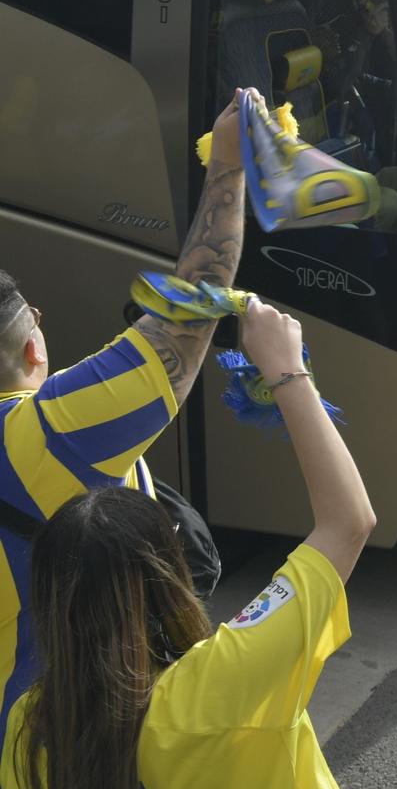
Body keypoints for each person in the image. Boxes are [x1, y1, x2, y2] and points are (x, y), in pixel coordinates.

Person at [5, 291, 372, 789]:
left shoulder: (26, 732)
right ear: (168, 574)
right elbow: (349, 522)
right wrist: (287, 371)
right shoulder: (226, 681)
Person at [0, 94, 248, 754]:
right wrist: (229, 165)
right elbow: (195, 304)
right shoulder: (47, 435)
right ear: (32, 348)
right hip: (67, 752)